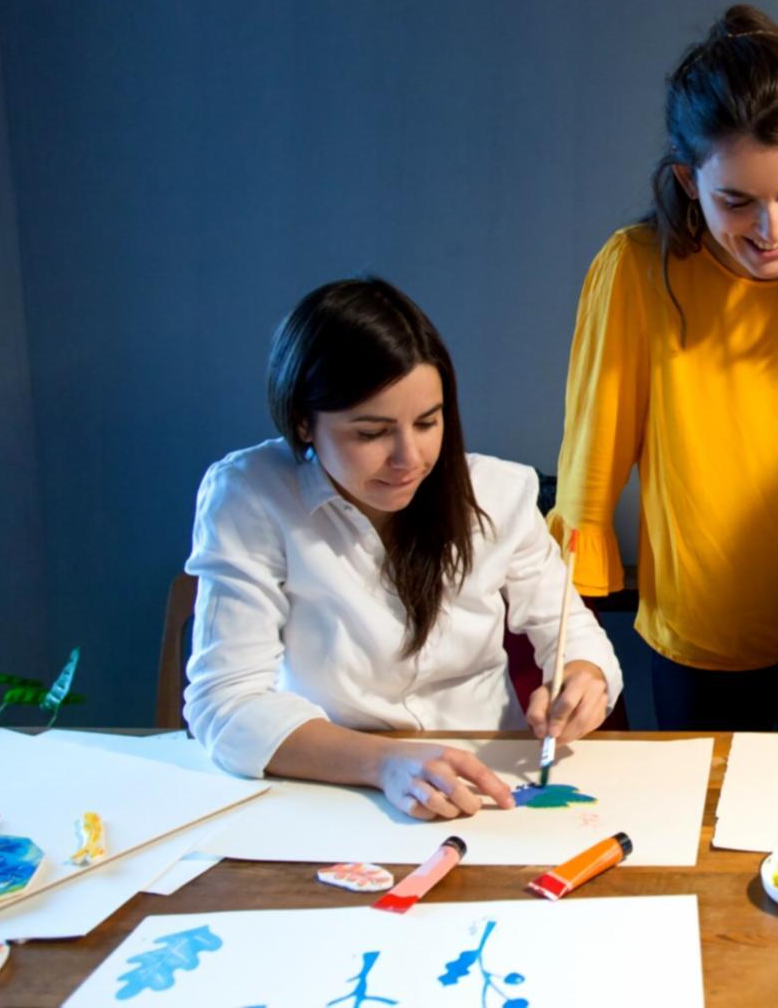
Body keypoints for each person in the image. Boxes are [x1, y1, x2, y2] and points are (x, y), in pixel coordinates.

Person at [549, 5, 778, 730]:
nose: (771, 229)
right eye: (737, 201)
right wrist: (570, 637)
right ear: (688, 181)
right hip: (701, 633)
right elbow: (589, 474)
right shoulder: (634, 270)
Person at [184, 278, 621, 819]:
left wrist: (585, 677)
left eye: (428, 422)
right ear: (303, 421)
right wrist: (383, 762)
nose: (409, 458)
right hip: (333, 789)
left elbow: (572, 633)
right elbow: (224, 704)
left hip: (490, 788)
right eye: (371, 433)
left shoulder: (498, 493)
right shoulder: (252, 494)